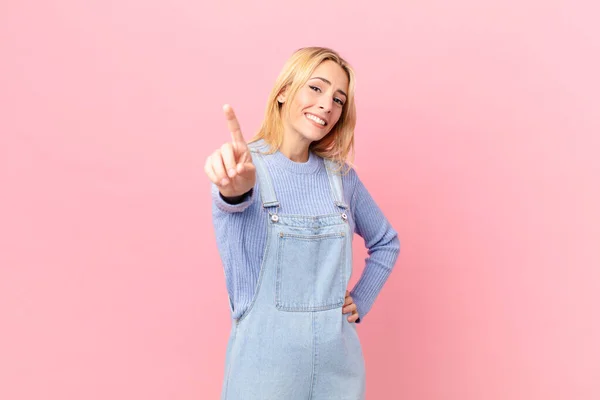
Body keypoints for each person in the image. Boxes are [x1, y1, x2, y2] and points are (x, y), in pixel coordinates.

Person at [205, 47, 400, 400]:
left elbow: (387, 241)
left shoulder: (342, 179)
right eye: (316, 88)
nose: (327, 104)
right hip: (264, 377)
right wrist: (233, 193)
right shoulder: (245, 169)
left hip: (338, 375)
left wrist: (362, 299)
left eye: (339, 99)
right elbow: (232, 203)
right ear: (283, 92)